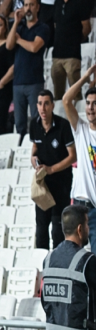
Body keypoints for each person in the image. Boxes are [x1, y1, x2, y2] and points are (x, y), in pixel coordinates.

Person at [30, 90, 76, 250]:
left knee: (57, 230)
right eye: (40, 103)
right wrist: (34, 161)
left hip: (61, 184)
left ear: (52, 105)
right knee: (41, 228)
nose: (43, 108)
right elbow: (35, 147)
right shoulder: (34, 124)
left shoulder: (63, 126)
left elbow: (73, 156)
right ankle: (41, 267)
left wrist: (51, 169)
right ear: (36, 105)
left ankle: (57, 265)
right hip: (43, 185)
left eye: (46, 103)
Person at [7, 0, 49, 136]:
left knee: (38, 120)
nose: (28, 8)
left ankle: (39, 149)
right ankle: (21, 150)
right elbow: (8, 45)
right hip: (18, 82)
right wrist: (16, 23)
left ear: (38, 7)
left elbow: (34, 47)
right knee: (19, 123)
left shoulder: (43, 27)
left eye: (31, 5)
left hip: (34, 82)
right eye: (25, 5)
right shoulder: (19, 28)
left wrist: (19, 40)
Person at [64, 65, 96, 241]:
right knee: (74, 259)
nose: (90, 108)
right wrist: (85, 77)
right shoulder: (81, 129)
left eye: (95, 104)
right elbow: (66, 100)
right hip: (79, 205)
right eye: (88, 103)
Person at [51, 0, 92, 101]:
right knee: (58, 96)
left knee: (75, 95)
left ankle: (78, 121)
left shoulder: (80, 1)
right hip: (57, 55)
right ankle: (60, 121)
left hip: (72, 56)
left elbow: (87, 27)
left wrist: (75, 40)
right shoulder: (57, 2)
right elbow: (55, 25)